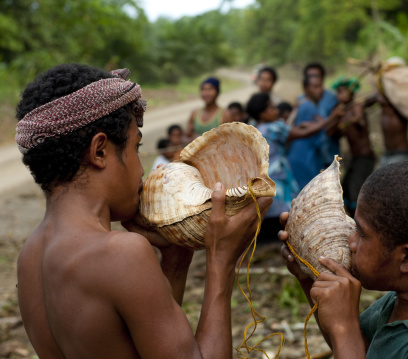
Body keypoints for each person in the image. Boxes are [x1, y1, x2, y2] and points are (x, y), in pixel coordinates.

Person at [15, 63, 272, 359]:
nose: (141, 170)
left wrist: (175, 260)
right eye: (136, 147)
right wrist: (222, 261)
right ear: (100, 151)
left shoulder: (30, 258)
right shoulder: (122, 253)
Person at [278, 160, 408, 358]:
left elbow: (346, 339)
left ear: (407, 259)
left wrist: (345, 327)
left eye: (361, 233)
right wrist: (310, 276)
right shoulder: (398, 303)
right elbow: (353, 349)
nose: (351, 241)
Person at [246, 92, 332, 244]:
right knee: (285, 212)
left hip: (260, 178)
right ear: (262, 113)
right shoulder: (274, 128)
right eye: (272, 108)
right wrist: (329, 120)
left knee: (265, 213)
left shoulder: (251, 128)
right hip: (278, 176)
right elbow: (304, 133)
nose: (276, 111)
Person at [327, 76, 375, 216]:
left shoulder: (356, 107)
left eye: (344, 91)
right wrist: (336, 118)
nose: (341, 94)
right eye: (338, 92)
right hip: (354, 158)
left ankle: (362, 225)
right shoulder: (340, 112)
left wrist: (347, 118)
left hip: (365, 158)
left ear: (352, 93)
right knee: (346, 192)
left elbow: (359, 120)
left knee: (355, 193)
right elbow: (331, 132)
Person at [288, 75, 339, 190]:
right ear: (306, 89)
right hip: (305, 157)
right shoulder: (308, 106)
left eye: (320, 86)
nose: (319, 90)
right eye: (315, 87)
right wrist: (332, 118)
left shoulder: (304, 104)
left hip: (304, 156)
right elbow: (315, 132)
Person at [364, 90, 408, 166]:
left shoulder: (400, 106)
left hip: (400, 153)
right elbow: (366, 103)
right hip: (387, 153)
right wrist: (377, 95)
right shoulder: (382, 100)